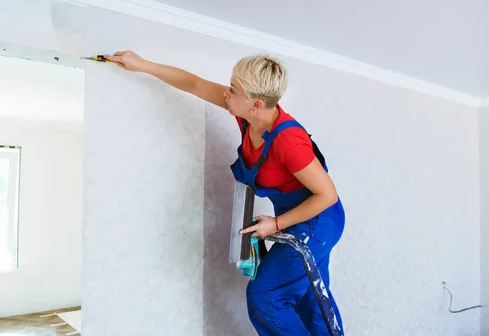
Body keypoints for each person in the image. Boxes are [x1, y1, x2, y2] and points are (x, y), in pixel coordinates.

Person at [103, 50, 346, 335]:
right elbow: (194, 84)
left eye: (233, 89)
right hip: (301, 216)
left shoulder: (289, 142)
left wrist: (277, 224)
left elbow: (327, 195)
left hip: (318, 222)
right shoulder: (247, 116)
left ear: (256, 103)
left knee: (266, 297)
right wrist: (141, 65)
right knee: (310, 297)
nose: (226, 94)